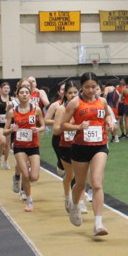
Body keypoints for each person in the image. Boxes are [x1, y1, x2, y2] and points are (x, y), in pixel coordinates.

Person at [57, 72, 115, 237]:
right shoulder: (75, 103)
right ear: (81, 87)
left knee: (96, 183)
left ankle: (98, 224)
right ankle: (75, 205)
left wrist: (109, 122)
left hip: (100, 145)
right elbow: (62, 125)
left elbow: (108, 114)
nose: (91, 90)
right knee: (80, 184)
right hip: (80, 146)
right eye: (87, 87)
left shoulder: (102, 101)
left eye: (94, 87)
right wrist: (78, 127)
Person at [5, 82, 45, 212]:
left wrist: (38, 129)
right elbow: (5, 131)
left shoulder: (36, 109)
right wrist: (11, 129)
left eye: (26, 93)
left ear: (30, 95)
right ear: (17, 95)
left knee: (34, 177)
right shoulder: (12, 112)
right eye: (21, 93)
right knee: (26, 175)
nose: (24, 95)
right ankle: (29, 200)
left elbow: (43, 126)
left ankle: (23, 181)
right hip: (19, 146)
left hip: (33, 146)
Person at [53, 82, 80, 213]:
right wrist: (70, 125)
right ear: (65, 94)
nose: (73, 95)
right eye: (70, 93)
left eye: (75, 92)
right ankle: (67, 196)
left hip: (81, 145)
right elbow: (56, 130)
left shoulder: (82, 108)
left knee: (80, 176)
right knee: (70, 175)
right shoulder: (61, 109)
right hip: (66, 146)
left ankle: (79, 202)